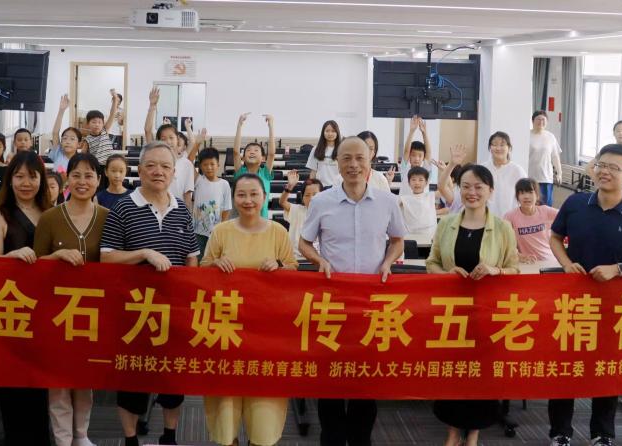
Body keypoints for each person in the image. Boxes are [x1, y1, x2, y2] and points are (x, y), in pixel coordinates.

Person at [548, 143, 622, 446]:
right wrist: (566, 263)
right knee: (566, 369)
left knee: (606, 369)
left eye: (614, 167)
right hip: (572, 304)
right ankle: (560, 432)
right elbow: (555, 237)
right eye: (601, 165)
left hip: (614, 307)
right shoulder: (575, 204)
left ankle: (602, 434)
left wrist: (618, 269)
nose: (605, 172)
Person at [299, 136, 406, 446]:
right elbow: (304, 242)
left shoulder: (387, 201)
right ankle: (331, 439)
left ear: (370, 160)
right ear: (337, 163)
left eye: (360, 158)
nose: (354, 164)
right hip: (333, 304)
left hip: (372, 305)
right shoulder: (322, 202)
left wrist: (387, 262)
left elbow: (398, 240)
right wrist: (318, 260)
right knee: (330, 380)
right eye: (347, 158)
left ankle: (361, 439)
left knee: (365, 382)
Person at [100, 142, 199, 446]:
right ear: (140, 170)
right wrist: (143, 253)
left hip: (173, 313)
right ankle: (130, 440)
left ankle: (169, 437)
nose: (159, 172)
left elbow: (192, 257)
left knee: (172, 381)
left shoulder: (181, 210)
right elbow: (106, 257)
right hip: (134, 313)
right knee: (132, 382)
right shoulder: (123, 208)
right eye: (151, 165)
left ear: (174, 173)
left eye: (165, 166)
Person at [201, 173, 298, 446]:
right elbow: (201, 271)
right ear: (233, 198)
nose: (248, 200)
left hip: (266, 335)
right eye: (241, 194)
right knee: (226, 408)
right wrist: (215, 265)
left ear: (264, 197)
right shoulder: (221, 231)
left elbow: (293, 270)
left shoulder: (278, 232)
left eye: (254, 194)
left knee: (264, 409)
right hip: (226, 332)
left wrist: (279, 266)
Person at [426, 163, 518, 446]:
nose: (472, 192)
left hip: (487, 314)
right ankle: (453, 430)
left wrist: (495, 270)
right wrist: (446, 274)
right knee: (453, 372)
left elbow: (515, 269)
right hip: (452, 314)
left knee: (481, 373)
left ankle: (474, 433)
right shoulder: (446, 224)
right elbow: (432, 263)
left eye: (479, 187)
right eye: (466, 186)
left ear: (490, 191)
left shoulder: (502, 228)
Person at [34, 153, 107, 446]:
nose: (82, 181)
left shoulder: (108, 218)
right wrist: (57, 256)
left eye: (89, 175)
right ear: (67, 179)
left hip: (94, 312)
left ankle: (81, 434)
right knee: (58, 381)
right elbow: (35, 266)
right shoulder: (50, 218)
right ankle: (63, 438)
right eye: (76, 175)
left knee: (85, 378)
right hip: (57, 312)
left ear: (98, 180)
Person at [0, 151, 54, 445]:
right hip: (13, 310)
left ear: (42, 180)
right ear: (10, 180)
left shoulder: (51, 213)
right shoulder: (0, 215)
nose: (26, 183)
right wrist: (12, 256)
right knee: (13, 379)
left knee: (40, 380)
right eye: (19, 176)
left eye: (33, 176)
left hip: (46, 309)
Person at [145, 87, 194, 206]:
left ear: (178, 139)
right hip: (156, 207)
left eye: (171, 138)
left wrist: (187, 214)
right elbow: (147, 130)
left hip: (176, 210)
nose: (168, 142)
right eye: (163, 139)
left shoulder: (186, 164)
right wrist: (152, 106)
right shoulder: (155, 157)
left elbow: (187, 195)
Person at [232, 113, 277, 217]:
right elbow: (235, 152)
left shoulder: (265, 173)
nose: (252, 152)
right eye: (248, 150)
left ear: (263, 158)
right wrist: (239, 125)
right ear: (243, 158)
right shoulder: (240, 172)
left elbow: (271, 153)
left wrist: (271, 125)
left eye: (256, 150)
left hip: (262, 221)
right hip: (242, 221)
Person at [503, 178, 559, 263]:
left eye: (530, 192)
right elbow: (503, 242)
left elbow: (567, 216)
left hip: (549, 261)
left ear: (537, 196)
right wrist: (518, 255)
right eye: (522, 193)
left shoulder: (546, 211)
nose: (526, 196)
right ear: (517, 197)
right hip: (527, 263)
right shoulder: (510, 216)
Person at [192, 148, 232, 256]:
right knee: (199, 258)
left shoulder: (224, 184)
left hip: (215, 231)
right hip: (197, 231)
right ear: (200, 166)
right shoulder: (198, 180)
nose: (209, 167)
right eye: (205, 164)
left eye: (212, 164)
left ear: (218, 164)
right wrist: (197, 143)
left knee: (213, 258)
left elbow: (227, 208)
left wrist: (222, 227)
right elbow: (189, 161)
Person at [278, 170, 321, 260]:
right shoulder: (297, 210)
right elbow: (282, 202)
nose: (311, 198)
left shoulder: (326, 213)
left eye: (315, 194)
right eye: (307, 195)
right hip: (295, 259)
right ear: (302, 198)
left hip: (319, 259)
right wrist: (289, 186)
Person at [482, 131, 527, 217]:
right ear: (490, 148)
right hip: (486, 218)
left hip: (511, 219)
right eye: (494, 144)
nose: (498, 148)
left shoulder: (517, 171)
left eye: (502, 145)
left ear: (509, 148)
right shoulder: (482, 169)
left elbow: (526, 195)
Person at [529, 110, 563, 206]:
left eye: (543, 120)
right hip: (530, 177)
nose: (541, 122)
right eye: (538, 119)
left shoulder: (550, 137)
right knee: (530, 205)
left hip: (546, 177)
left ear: (546, 122)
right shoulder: (527, 135)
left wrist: (559, 173)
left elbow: (555, 156)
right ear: (533, 121)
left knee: (545, 206)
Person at [400, 166, 443, 241]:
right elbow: (388, 202)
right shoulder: (404, 199)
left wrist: (445, 170)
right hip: (411, 238)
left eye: (421, 180)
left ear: (426, 182)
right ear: (409, 183)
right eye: (413, 180)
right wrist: (388, 182)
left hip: (430, 237)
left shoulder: (431, 196)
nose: (417, 183)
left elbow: (447, 189)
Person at [84, 89, 121, 167]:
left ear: (103, 123)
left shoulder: (105, 131)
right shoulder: (87, 139)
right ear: (88, 124)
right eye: (94, 122)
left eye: (99, 122)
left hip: (109, 165)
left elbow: (112, 114)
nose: (97, 125)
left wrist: (115, 100)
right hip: (96, 166)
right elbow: (83, 155)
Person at [399, 115, 439, 188]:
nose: (417, 159)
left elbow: (428, 152)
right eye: (413, 155)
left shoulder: (425, 171)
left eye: (420, 156)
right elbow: (406, 151)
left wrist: (424, 133)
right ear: (409, 157)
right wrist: (411, 131)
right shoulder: (405, 170)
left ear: (423, 157)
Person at [48, 94, 83, 172]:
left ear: (79, 144)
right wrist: (61, 110)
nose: (67, 141)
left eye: (72, 139)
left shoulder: (80, 162)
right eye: (65, 138)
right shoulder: (58, 153)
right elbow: (55, 133)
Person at [306, 120, 343, 187]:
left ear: (337, 133)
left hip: (337, 187)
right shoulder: (316, 149)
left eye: (333, 131)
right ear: (323, 132)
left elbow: (343, 172)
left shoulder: (342, 149)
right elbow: (313, 172)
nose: (330, 134)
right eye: (327, 131)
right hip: (320, 187)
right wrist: (311, 186)